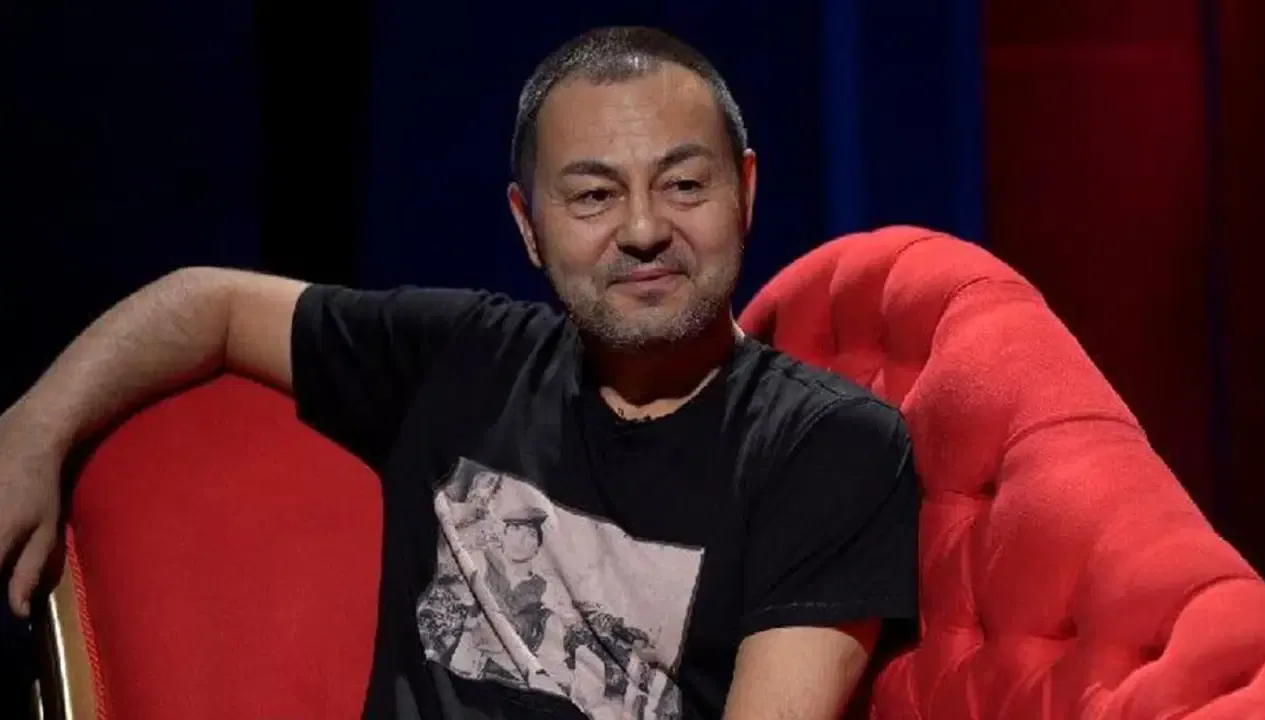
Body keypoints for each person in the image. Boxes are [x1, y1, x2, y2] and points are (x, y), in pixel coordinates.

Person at [0, 25, 919, 720]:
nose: (643, 229)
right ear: (528, 225)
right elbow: (212, 303)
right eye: (593, 195)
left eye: (684, 184)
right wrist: (33, 429)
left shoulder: (826, 448)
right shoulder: (461, 357)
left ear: (745, 193)